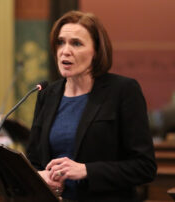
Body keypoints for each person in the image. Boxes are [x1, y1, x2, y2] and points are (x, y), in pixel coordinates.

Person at [26, 11, 157, 201]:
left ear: (96, 52)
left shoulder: (123, 91)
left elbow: (144, 167)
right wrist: (40, 176)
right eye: (60, 42)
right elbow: (34, 160)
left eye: (76, 43)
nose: (65, 51)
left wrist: (86, 170)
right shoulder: (48, 94)